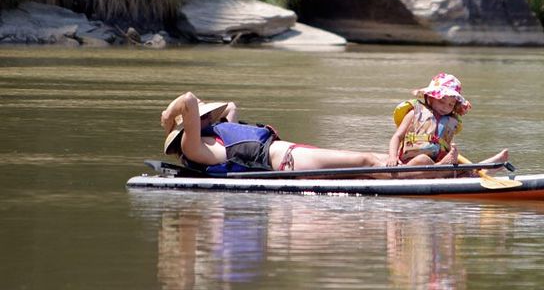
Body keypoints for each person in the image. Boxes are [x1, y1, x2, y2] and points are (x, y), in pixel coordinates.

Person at [161, 91, 387, 174]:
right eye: (201, 116)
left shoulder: (215, 134)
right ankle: (412, 170)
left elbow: (230, 106)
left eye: (208, 113)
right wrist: (169, 115)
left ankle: (414, 164)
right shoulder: (192, 148)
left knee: (374, 163)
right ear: (187, 127)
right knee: (367, 160)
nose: (208, 117)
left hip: (292, 155)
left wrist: (211, 117)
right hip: (289, 162)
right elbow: (188, 99)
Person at [387, 73, 509, 169]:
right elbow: (397, 136)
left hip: (437, 162)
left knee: (457, 165)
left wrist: (453, 152)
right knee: (423, 160)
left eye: (451, 104)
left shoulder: (450, 121)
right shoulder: (414, 112)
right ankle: (459, 170)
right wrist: (392, 157)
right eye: (441, 101)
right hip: (412, 162)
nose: (445, 107)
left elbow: (443, 144)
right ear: (430, 98)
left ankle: (482, 167)